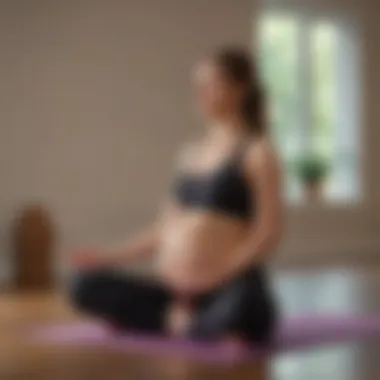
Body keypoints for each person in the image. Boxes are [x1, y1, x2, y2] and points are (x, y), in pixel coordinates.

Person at [70, 46, 283, 347]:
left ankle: (184, 323)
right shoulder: (189, 155)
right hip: (174, 292)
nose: (200, 93)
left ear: (241, 88)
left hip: (224, 286)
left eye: (211, 84)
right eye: (198, 85)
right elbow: (163, 230)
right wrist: (106, 257)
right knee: (83, 284)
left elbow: (267, 234)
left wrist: (214, 278)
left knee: (246, 305)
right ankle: (190, 323)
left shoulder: (257, 153)